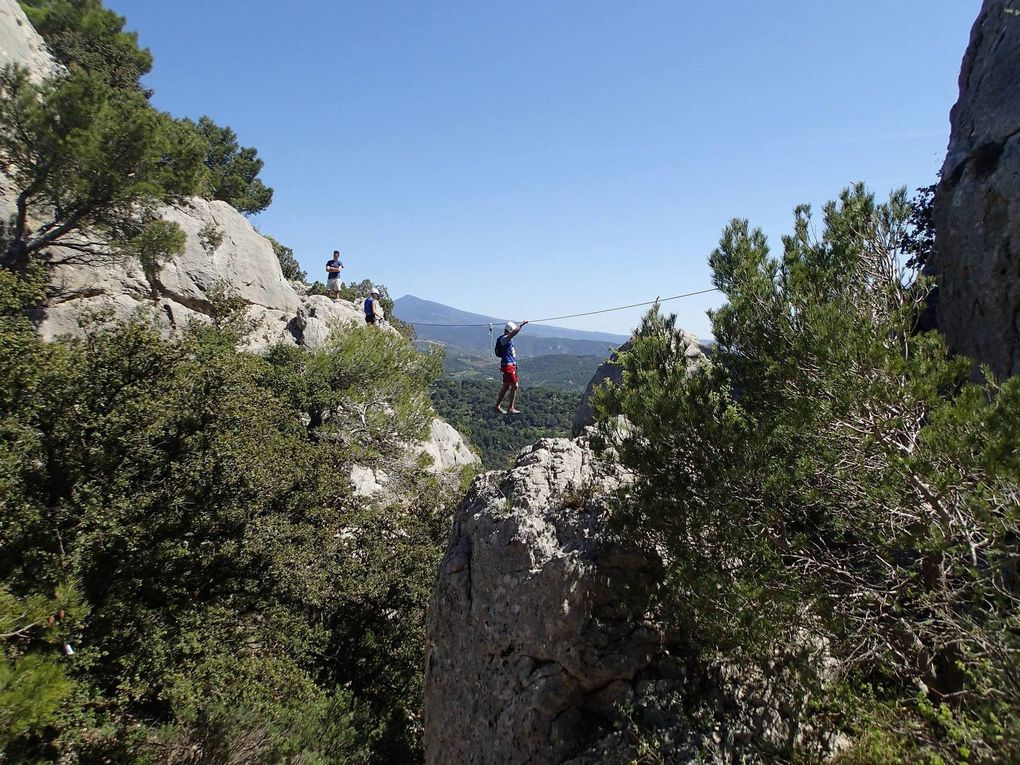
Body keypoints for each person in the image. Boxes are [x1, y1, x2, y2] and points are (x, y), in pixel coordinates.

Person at [494, 320, 528, 414]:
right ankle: (510, 408)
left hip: (508, 365)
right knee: (515, 385)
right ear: (510, 330)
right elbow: (514, 333)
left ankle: (497, 406)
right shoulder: (505, 339)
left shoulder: (502, 339)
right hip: (509, 366)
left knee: (506, 386)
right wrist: (521, 325)